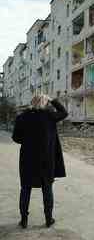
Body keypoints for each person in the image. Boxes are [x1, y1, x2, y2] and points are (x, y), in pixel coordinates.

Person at [12, 95, 68, 228]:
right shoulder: (50, 116)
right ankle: (49, 219)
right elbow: (64, 112)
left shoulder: (22, 117)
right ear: (45, 103)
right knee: (47, 188)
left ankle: (24, 220)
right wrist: (53, 100)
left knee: (25, 188)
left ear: (31, 103)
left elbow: (16, 138)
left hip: (27, 159)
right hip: (46, 160)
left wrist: (27, 141)